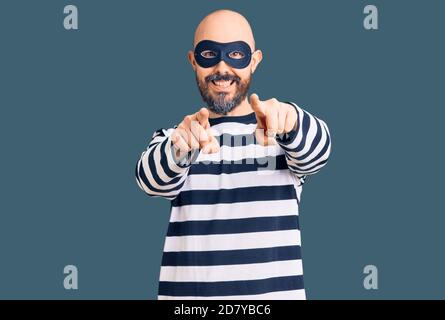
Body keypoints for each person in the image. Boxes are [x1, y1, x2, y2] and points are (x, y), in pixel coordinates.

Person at [135, 9, 331, 300]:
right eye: (209, 54)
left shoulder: (281, 133)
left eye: (236, 54)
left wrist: (290, 119)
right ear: (193, 61)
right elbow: (149, 181)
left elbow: (318, 153)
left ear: (255, 60)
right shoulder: (176, 137)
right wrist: (179, 147)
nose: (222, 68)